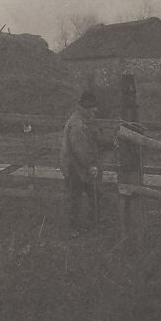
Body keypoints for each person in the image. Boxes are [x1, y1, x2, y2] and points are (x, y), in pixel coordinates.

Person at [59, 90, 103, 230]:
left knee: (93, 194)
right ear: (85, 108)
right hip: (74, 167)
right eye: (92, 107)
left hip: (80, 166)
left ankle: (93, 223)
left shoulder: (87, 121)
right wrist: (91, 166)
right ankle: (73, 229)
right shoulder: (77, 124)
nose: (95, 110)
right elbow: (80, 150)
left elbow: (97, 138)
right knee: (75, 198)